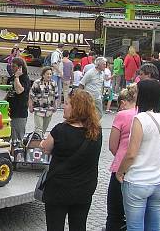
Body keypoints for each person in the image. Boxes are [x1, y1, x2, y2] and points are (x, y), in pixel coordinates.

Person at [116, 79, 160, 231]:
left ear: (144, 95)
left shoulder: (140, 119)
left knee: (135, 226)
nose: (134, 95)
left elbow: (131, 153)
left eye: (137, 92)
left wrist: (120, 171)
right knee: (154, 225)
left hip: (138, 180)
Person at [40, 89, 102, 231]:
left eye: (67, 103)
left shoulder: (60, 130)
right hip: (84, 188)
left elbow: (46, 148)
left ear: (77, 108)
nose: (64, 106)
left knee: (55, 226)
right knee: (79, 226)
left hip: (59, 189)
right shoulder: (96, 131)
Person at [105, 84, 138, 231]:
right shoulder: (145, 114)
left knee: (115, 213)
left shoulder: (122, 115)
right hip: (141, 168)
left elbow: (112, 145)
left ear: (124, 102)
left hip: (121, 167)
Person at [7, 57, 31, 143]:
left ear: (20, 67)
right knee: (8, 135)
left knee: (18, 138)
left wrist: (17, 77)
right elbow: (9, 92)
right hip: (10, 110)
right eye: (11, 66)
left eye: (13, 66)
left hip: (19, 112)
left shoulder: (24, 78)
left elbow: (19, 91)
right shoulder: (11, 78)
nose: (11, 68)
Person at [29, 67, 58, 136]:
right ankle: (37, 143)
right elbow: (31, 95)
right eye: (47, 74)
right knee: (39, 129)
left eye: (50, 74)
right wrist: (30, 105)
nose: (49, 76)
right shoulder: (37, 83)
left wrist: (55, 105)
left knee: (44, 129)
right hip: (38, 109)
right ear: (43, 74)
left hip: (49, 110)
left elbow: (56, 96)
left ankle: (40, 141)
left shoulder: (53, 83)